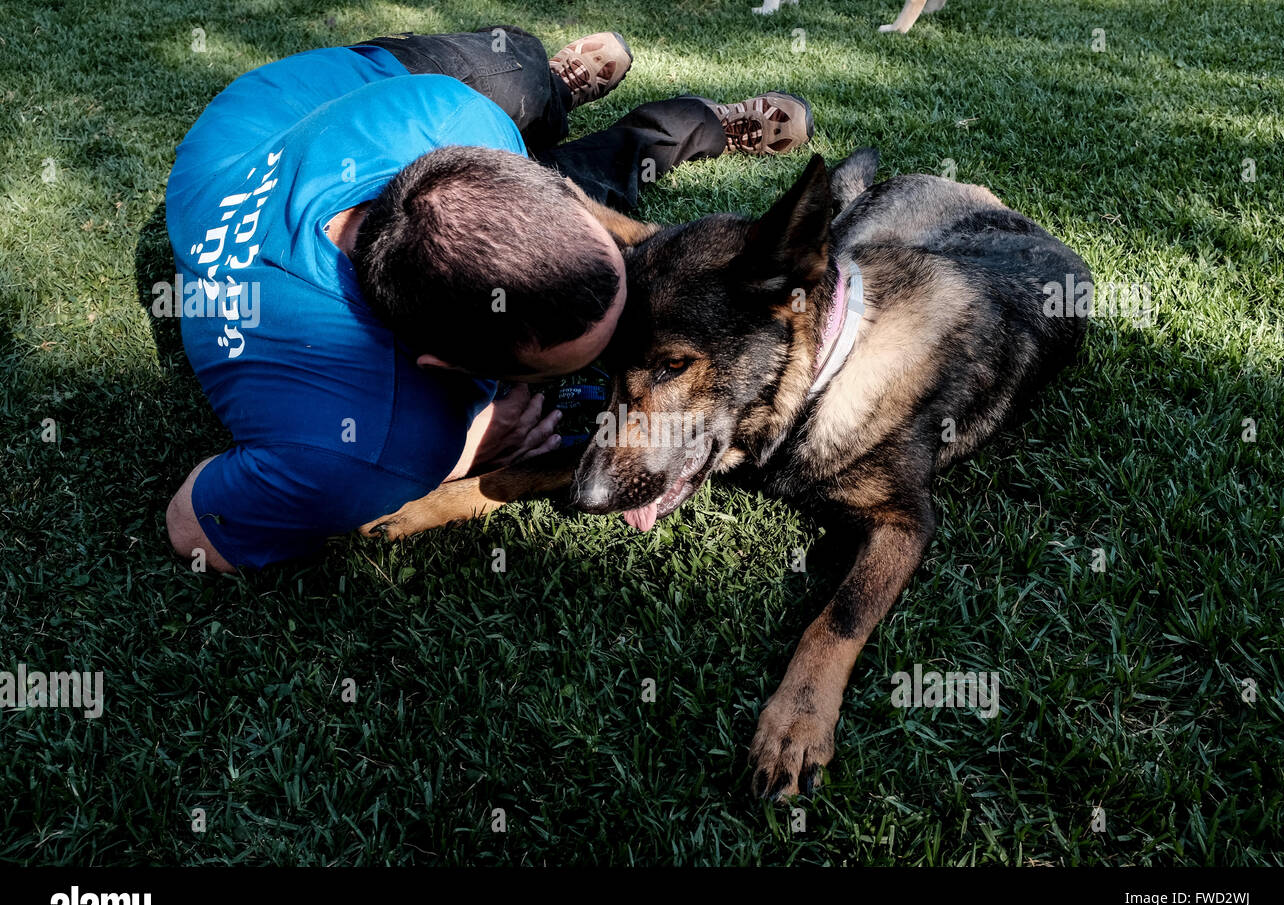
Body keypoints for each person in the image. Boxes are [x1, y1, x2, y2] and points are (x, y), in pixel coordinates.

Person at [164, 26, 814, 572]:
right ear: (446, 370)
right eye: (583, 362)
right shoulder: (370, 448)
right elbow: (192, 528)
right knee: (600, 171)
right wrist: (460, 449)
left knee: (521, 75)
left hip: (279, 110)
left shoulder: (456, 116)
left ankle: (554, 87)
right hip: (330, 137)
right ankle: (685, 127)